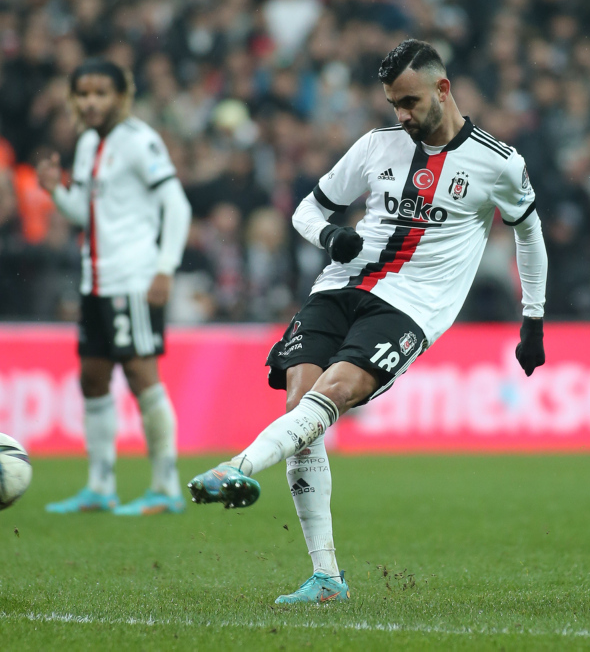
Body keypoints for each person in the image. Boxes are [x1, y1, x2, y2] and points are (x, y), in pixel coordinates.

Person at [187, 40, 547, 602]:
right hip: (340, 287)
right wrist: (330, 234)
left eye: (409, 102)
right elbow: (308, 209)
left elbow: (530, 234)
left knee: (331, 395)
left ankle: (236, 467)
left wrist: (533, 318)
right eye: (392, 104)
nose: (400, 116)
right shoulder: (376, 145)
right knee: (299, 411)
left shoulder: (498, 162)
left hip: (411, 308)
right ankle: (326, 577)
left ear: (443, 89)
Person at [37, 59, 192, 516]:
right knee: (93, 377)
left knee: (142, 375)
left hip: (134, 277)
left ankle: (165, 486)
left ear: (122, 96)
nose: (91, 102)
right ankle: (100, 485)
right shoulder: (88, 143)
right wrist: (54, 192)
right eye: (83, 94)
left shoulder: (140, 141)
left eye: (101, 93)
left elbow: (177, 205)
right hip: (96, 280)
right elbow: (86, 216)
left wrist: (166, 267)